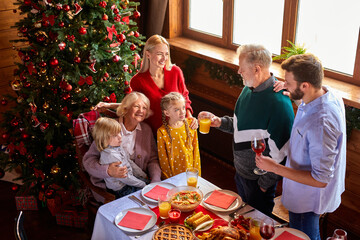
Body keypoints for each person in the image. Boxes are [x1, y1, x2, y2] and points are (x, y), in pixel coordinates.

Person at [255, 53, 346, 240]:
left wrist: (274, 167)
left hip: (308, 199)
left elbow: (321, 179)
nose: (283, 84)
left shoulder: (321, 124)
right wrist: (294, 95)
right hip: (301, 190)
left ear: (305, 85)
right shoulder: (326, 94)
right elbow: (307, 108)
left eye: (288, 82)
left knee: (304, 237)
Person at [198, 44, 294, 216]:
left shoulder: (279, 104)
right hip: (241, 174)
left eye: (242, 68)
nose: (238, 71)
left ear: (257, 69)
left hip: (258, 183)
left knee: (255, 227)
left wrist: (263, 186)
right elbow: (240, 125)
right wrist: (219, 122)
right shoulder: (248, 89)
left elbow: (282, 154)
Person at [95, 35, 198, 134]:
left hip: (179, 129)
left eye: (166, 54)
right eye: (159, 54)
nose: (164, 58)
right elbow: (133, 106)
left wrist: (189, 117)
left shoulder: (176, 72)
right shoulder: (138, 81)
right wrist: (109, 105)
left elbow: (185, 97)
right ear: (148, 54)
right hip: (155, 134)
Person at [83, 92, 161, 202]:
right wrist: (108, 171)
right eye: (137, 106)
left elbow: (153, 159)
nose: (141, 111)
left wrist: (155, 180)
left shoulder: (146, 130)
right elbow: (88, 160)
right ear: (126, 108)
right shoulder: (110, 129)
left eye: (144, 108)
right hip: (113, 191)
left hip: (139, 182)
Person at [92, 117, 149, 199]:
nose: (120, 137)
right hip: (122, 188)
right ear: (104, 139)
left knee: (150, 184)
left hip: (130, 178)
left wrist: (142, 175)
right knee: (144, 195)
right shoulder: (111, 156)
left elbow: (129, 161)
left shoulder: (117, 146)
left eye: (119, 132)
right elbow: (125, 177)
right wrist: (143, 184)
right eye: (115, 135)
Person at [157, 92, 201, 179]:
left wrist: (197, 175)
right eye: (177, 110)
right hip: (173, 176)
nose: (182, 112)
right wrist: (168, 179)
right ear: (167, 113)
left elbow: (196, 152)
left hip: (190, 175)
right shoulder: (162, 132)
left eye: (183, 108)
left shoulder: (191, 125)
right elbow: (163, 160)